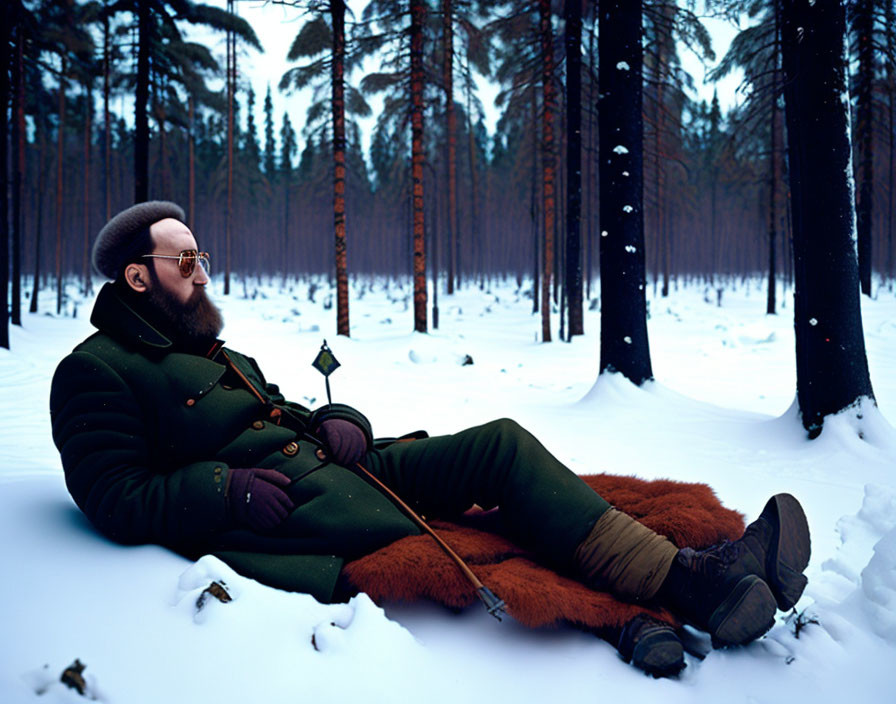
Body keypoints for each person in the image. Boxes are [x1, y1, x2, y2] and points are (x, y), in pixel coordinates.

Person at [50, 202, 811, 677]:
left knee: (501, 449)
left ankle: (695, 578)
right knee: (481, 532)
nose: (201, 273)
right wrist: (225, 490)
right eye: (184, 260)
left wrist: (342, 419)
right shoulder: (95, 372)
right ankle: (694, 585)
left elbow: (278, 411)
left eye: (201, 257)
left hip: (340, 467)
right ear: (138, 278)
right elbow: (113, 497)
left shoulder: (206, 349)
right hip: (286, 516)